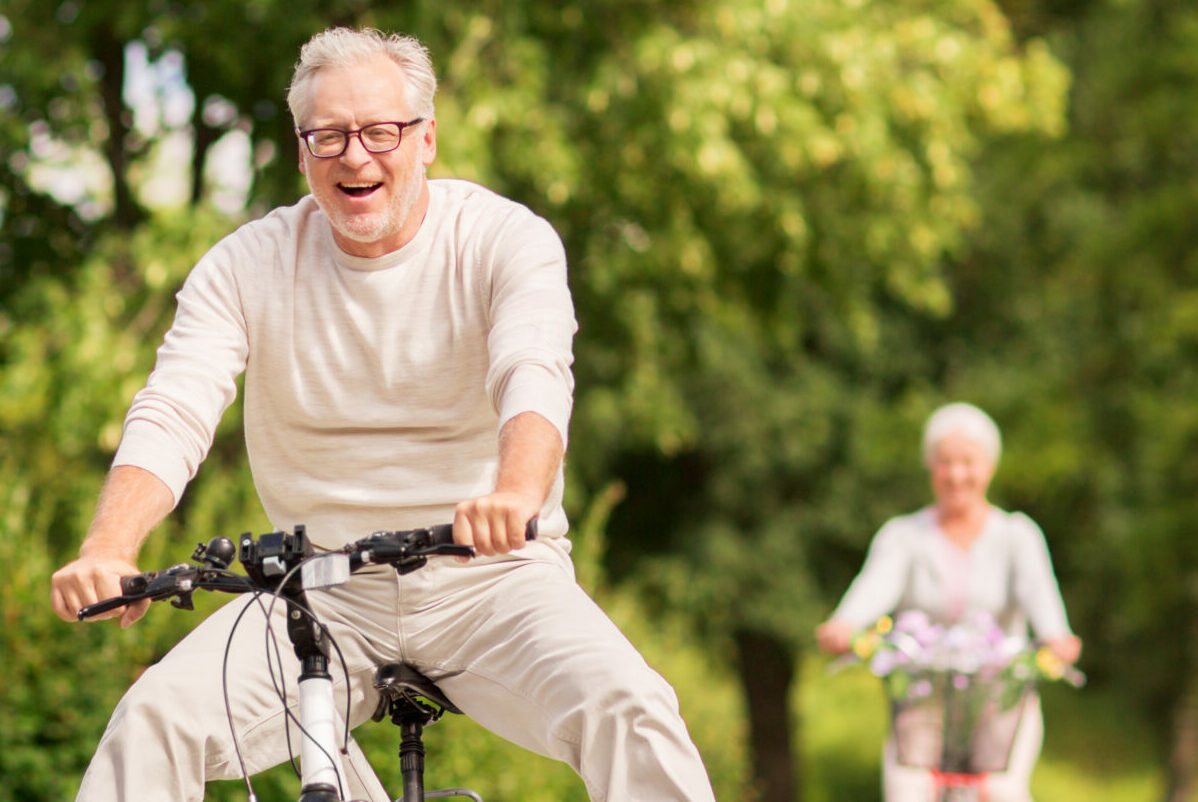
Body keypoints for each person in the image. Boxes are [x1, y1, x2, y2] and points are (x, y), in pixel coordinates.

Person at [50, 26, 716, 802]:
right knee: (153, 722)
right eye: (328, 135)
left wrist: (516, 493)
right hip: (319, 591)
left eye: (380, 132)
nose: (355, 156)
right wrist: (110, 545)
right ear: (302, 152)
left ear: (427, 139)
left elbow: (532, 370)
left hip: (491, 583)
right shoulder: (246, 265)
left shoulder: (503, 240)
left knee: (631, 710)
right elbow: (176, 405)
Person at [816, 402, 1082, 802]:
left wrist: (1057, 638)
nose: (957, 474)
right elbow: (875, 586)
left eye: (968, 462)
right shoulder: (904, 536)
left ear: (989, 467)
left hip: (999, 698)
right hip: (923, 701)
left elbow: (1041, 598)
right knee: (908, 791)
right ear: (930, 468)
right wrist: (844, 624)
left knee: (1003, 792)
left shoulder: (1017, 536)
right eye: (945, 462)